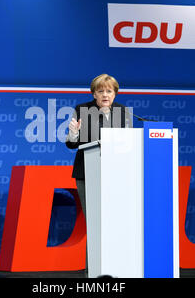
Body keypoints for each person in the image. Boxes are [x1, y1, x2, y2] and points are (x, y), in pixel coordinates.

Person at [65, 73, 132, 275]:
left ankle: (117, 268)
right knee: (94, 222)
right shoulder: (83, 110)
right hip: (88, 173)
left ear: (115, 94)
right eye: (100, 91)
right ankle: (93, 271)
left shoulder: (123, 112)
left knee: (115, 222)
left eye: (109, 91)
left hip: (116, 174)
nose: (105, 94)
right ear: (94, 94)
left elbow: (128, 143)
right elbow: (71, 144)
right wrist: (74, 133)